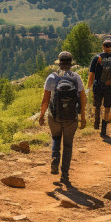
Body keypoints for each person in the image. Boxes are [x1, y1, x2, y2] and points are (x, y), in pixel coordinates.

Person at [39, 51, 87, 185]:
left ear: (59, 63)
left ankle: (55, 158)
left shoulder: (51, 77)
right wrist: (83, 116)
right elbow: (83, 98)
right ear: (71, 64)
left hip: (54, 116)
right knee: (68, 144)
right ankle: (65, 174)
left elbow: (45, 100)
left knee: (55, 137)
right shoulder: (76, 78)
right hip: (71, 118)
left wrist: (42, 115)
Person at [88, 35, 111, 138]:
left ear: (103, 47)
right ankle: (103, 129)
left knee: (97, 105)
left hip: (98, 85)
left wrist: (88, 88)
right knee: (107, 107)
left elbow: (91, 75)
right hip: (110, 86)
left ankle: (96, 123)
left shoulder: (96, 58)